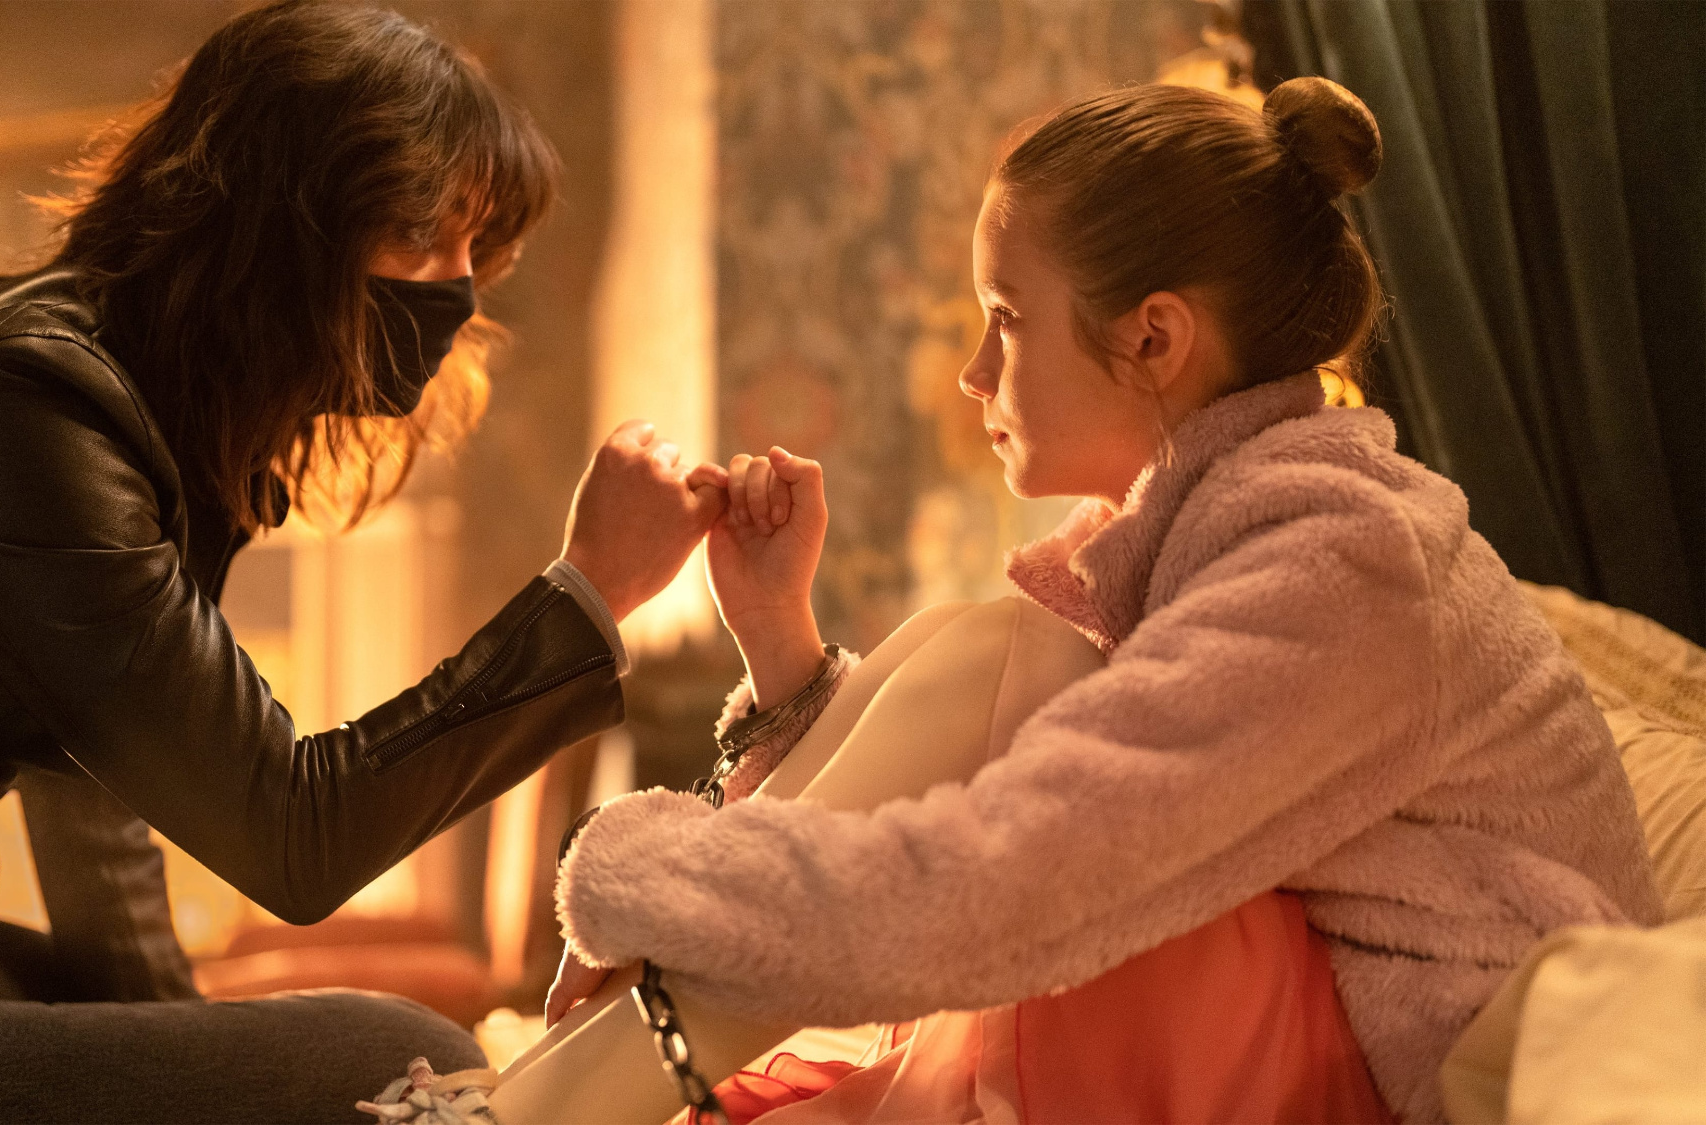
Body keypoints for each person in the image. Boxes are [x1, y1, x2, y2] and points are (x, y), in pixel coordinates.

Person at [546, 78, 1661, 1123]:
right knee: (985, 648)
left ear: (1152, 336)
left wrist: (641, 875)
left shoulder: (1347, 559)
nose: (973, 373)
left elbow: (997, 884)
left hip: (1415, 1076)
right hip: (1311, 1028)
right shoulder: (1213, 528)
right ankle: (530, 1104)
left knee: (1002, 665)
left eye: (1006, 316)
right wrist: (777, 638)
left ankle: (530, 1112)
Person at [0, 3, 721, 1121]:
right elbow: (294, 834)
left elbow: (96, 810)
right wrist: (587, 593)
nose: (460, 288)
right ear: (281, 224)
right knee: (409, 1061)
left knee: (335, 1049)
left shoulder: (121, 405)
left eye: (477, 247)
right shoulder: (23, 407)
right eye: (420, 234)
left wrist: (190, 1053)